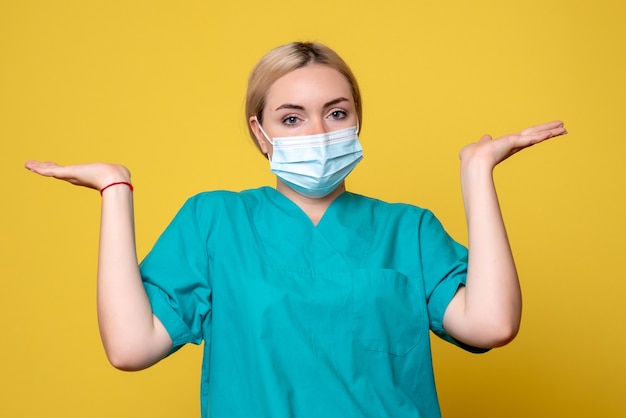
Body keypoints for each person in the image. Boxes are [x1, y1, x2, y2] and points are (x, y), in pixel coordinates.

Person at [25, 42, 567, 417]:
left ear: (357, 119)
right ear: (261, 134)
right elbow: (129, 346)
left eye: (336, 113)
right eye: (292, 118)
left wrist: (476, 174)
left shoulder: (409, 229)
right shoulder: (216, 222)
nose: (318, 131)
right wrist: (115, 191)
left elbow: (493, 324)